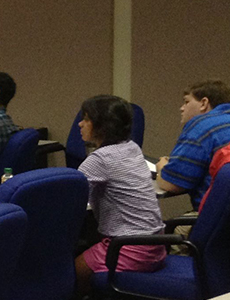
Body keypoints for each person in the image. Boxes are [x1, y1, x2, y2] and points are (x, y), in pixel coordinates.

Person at [72, 95, 165, 296]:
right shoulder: (131, 148)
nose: (80, 124)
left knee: (74, 273)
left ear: (102, 125)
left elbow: (70, 200)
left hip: (130, 248)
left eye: (86, 119)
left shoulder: (99, 159)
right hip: (156, 244)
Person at [156, 80, 230, 210]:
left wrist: (162, 167)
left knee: (163, 228)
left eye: (187, 101)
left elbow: (172, 184)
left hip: (217, 220)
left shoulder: (201, 126)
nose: (182, 108)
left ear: (203, 103)